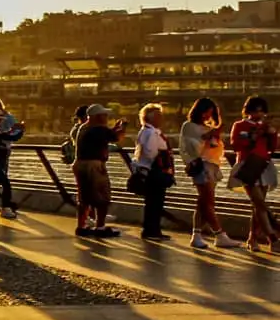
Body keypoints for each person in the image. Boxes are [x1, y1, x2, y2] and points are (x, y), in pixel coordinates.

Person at [179, 98, 239, 249]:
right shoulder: (189, 126)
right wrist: (206, 137)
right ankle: (219, 234)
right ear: (199, 110)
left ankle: (197, 235)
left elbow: (215, 150)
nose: (207, 116)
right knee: (208, 202)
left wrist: (214, 137)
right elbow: (191, 149)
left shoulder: (206, 128)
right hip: (202, 166)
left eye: (210, 113)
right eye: (206, 112)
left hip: (212, 166)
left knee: (203, 202)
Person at [228, 96, 278, 253]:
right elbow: (235, 144)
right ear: (249, 110)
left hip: (263, 164)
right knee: (259, 202)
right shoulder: (239, 125)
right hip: (247, 165)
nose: (259, 113)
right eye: (256, 110)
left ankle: (253, 238)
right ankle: (273, 237)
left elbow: (272, 147)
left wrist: (272, 133)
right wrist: (252, 136)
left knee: (257, 205)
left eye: (262, 110)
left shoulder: (265, 126)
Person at [72, 104, 125, 238]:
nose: (107, 117)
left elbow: (105, 135)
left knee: (84, 198)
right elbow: (115, 138)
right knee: (102, 197)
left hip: (80, 164)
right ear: (97, 117)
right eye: (104, 115)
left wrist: (113, 130)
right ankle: (100, 227)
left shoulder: (84, 127)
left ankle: (81, 226)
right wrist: (122, 128)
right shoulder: (98, 128)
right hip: (94, 165)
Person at [133, 103, 175, 242]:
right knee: (155, 202)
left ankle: (153, 229)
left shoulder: (147, 131)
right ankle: (152, 230)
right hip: (154, 172)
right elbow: (150, 152)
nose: (161, 118)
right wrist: (162, 156)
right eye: (158, 115)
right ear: (150, 118)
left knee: (153, 202)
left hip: (151, 171)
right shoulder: (150, 133)